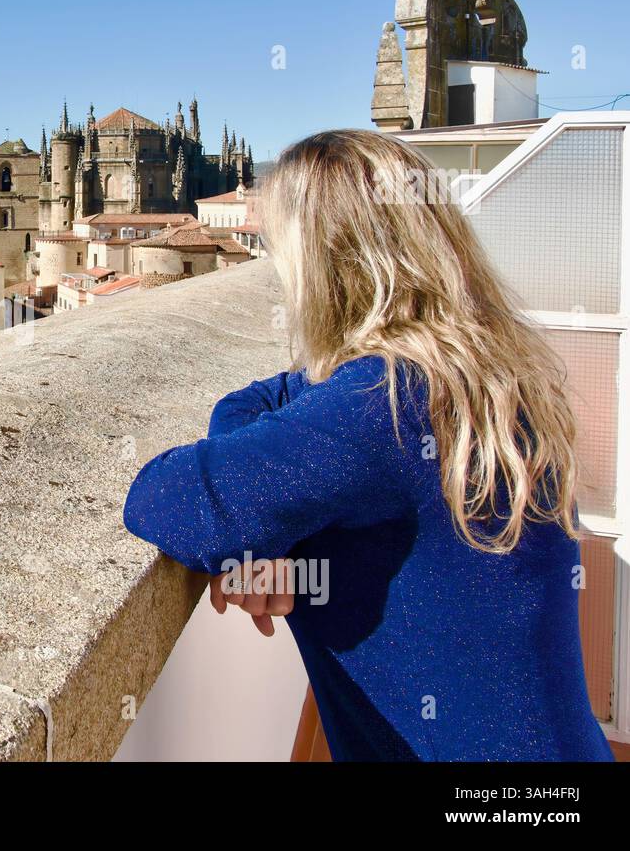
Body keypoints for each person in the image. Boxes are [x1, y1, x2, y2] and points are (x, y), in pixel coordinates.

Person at [123, 129, 613, 761]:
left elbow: (164, 493)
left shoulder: (379, 409)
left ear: (325, 267)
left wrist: (255, 519)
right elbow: (268, 401)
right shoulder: (488, 374)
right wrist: (269, 525)